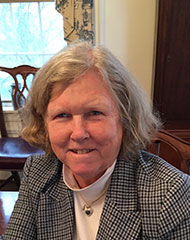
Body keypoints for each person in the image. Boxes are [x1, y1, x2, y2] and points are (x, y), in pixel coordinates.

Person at [1, 41, 190, 240]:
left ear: (125, 119)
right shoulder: (38, 173)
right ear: (44, 123)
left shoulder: (170, 193)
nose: (78, 133)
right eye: (62, 115)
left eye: (95, 113)